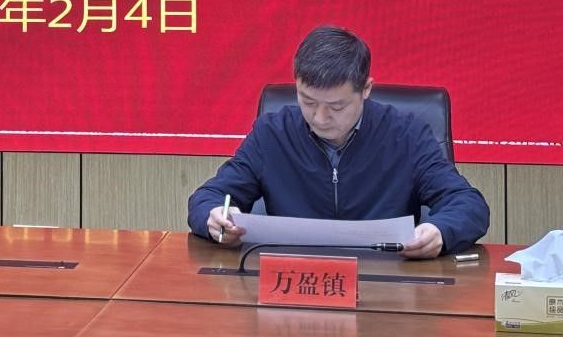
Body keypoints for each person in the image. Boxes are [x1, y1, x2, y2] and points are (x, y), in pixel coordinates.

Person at [188, 25, 488, 258]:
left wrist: (440, 231)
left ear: (366, 89)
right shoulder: (272, 133)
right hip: (292, 281)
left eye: (337, 106)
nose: (320, 118)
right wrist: (215, 217)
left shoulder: (406, 135)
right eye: (308, 101)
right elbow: (209, 197)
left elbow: (468, 205)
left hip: (385, 284)